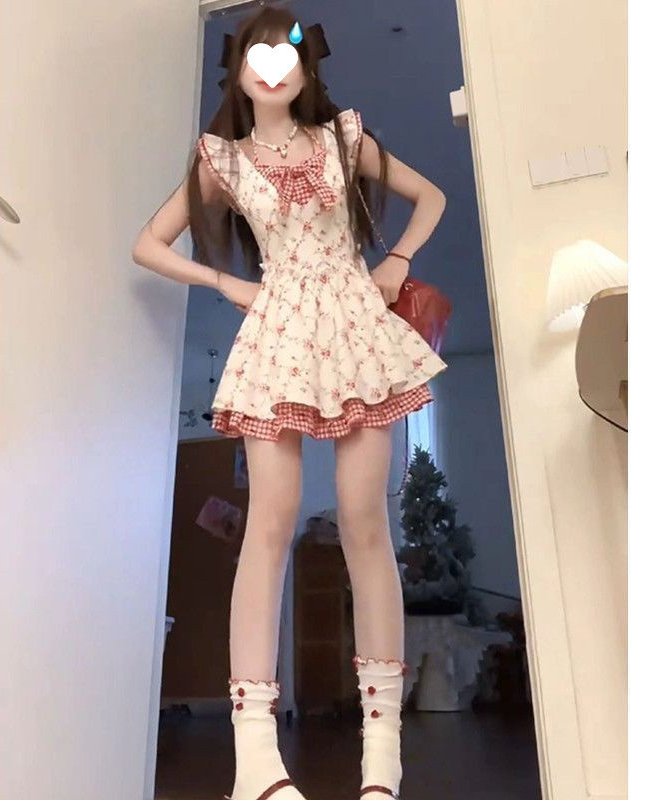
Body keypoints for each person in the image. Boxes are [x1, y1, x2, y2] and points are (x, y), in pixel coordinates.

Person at [132, 8, 448, 800]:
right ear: (239, 68)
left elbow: (431, 196)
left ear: (306, 67)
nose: (273, 68)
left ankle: (382, 754)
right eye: (259, 55)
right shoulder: (223, 160)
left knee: (365, 520)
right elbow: (148, 245)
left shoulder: (345, 138)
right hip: (278, 333)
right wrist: (225, 281)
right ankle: (255, 761)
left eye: (287, 54)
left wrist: (398, 259)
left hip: (355, 325)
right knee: (268, 526)